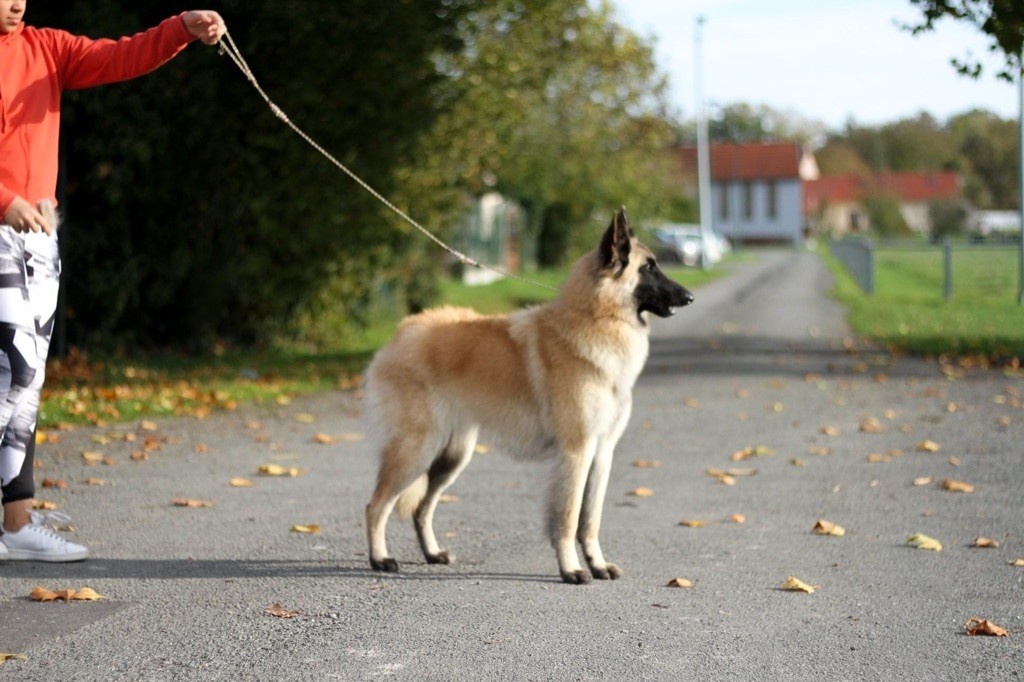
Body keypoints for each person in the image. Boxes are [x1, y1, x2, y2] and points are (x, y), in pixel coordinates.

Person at [0, 2, 226, 561]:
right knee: (15, 366)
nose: (18, 2)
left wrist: (179, 29)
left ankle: (15, 525)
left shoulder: (44, 46)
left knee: (25, 384)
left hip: (40, 235)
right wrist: (4, 201)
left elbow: (119, 56)